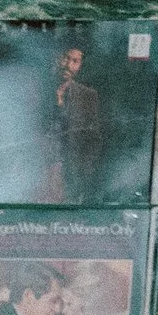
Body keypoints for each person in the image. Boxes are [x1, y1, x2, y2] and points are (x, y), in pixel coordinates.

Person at [53, 45, 103, 205]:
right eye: (66, 58)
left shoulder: (87, 95)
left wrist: (83, 175)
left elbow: (92, 139)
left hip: (70, 173)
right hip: (40, 168)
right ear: (58, 58)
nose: (68, 65)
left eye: (75, 61)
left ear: (80, 66)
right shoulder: (40, 89)